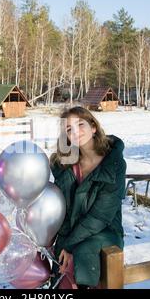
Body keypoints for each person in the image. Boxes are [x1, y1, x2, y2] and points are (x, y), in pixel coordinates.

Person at [49, 106, 126, 289]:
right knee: (59, 266)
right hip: (71, 232)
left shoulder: (114, 165)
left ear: (93, 127)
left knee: (82, 252)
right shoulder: (65, 165)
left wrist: (69, 245)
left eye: (80, 124)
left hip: (104, 232)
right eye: (69, 129)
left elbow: (101, 216)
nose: (75, 132)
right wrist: (61, 242)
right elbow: (62, 210)